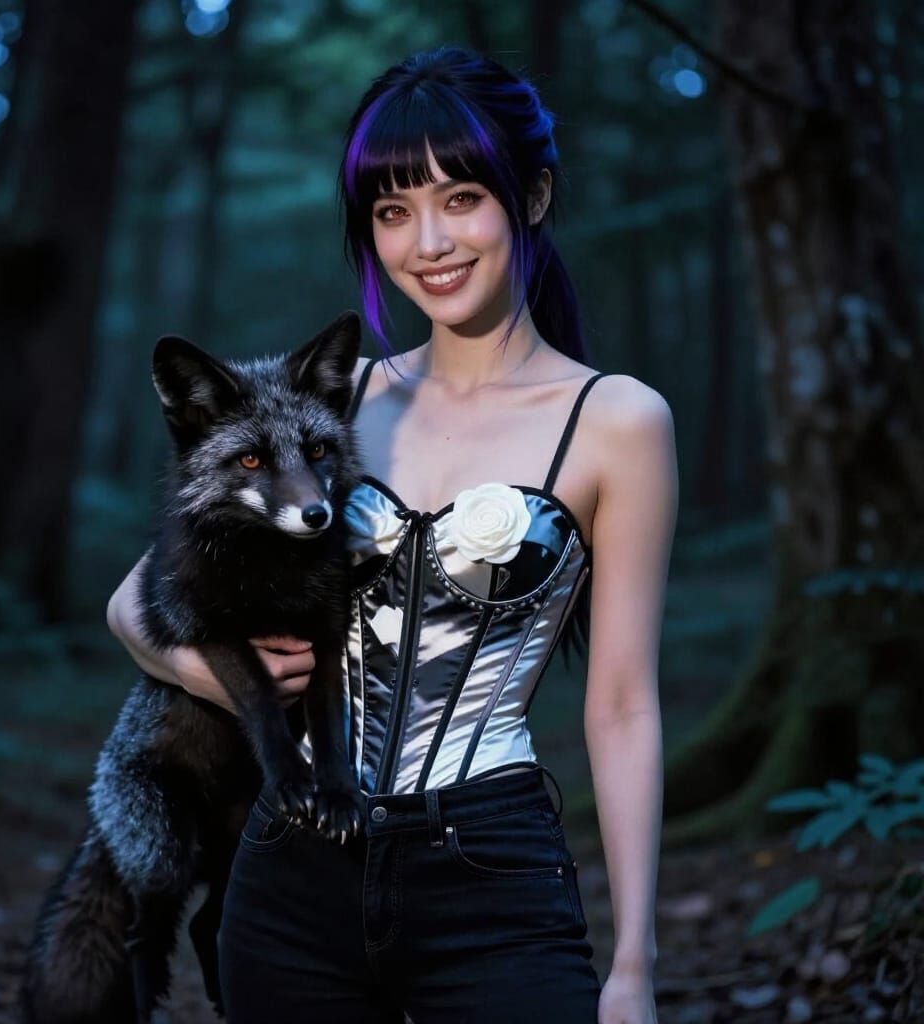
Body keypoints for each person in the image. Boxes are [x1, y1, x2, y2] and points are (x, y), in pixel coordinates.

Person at [107, 46, 675, 1024]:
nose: (428, 242)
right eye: (391, 210)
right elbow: (133, 604)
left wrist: (634, 964)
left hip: (490, 869)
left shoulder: (616, 421)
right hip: (291, 866)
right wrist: (220, 679)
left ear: (534, 197)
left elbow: (622, 706)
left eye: (461, 198)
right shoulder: (334, 402)